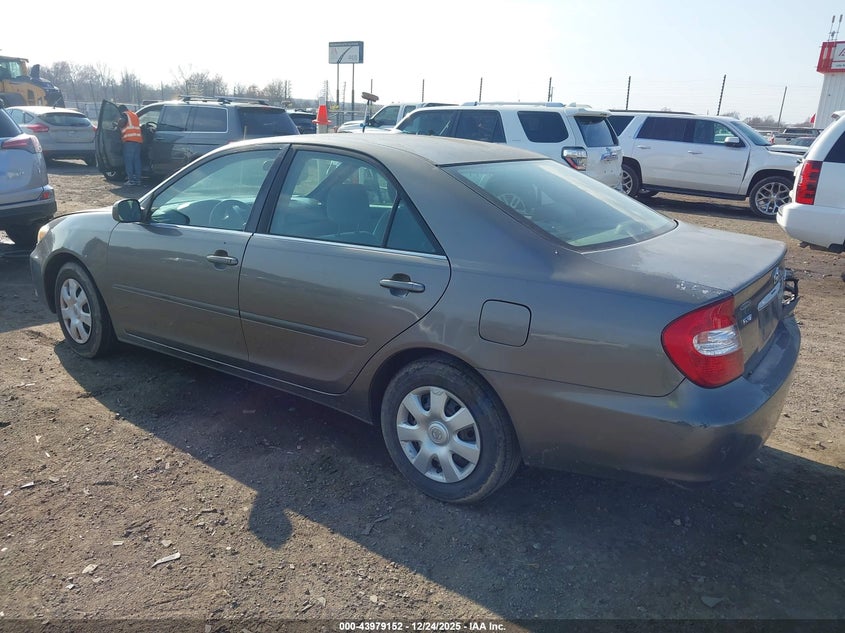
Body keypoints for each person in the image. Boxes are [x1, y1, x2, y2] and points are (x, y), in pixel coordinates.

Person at [117, 104, 143, 186]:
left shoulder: (124, 115)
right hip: (137, 140)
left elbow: (121, 123)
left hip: (129, 141)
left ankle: (131, 180)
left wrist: (116, 123)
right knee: (136, 161)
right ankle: (138, 180)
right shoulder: (134, 114)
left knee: (129, 161)